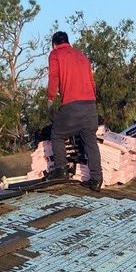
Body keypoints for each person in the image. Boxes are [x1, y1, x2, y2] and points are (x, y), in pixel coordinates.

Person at [46, 31, 103, 190]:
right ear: (68, 42)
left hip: (72, 105)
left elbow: (54, 77)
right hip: (90, 104)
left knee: (57, 134)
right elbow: (92, 82)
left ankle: (61, 169)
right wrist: (91, 100)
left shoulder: (56, 54)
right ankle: (97, 179)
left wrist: (50, 100)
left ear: (54, 44)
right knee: (90, 141)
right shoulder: (82, 55)